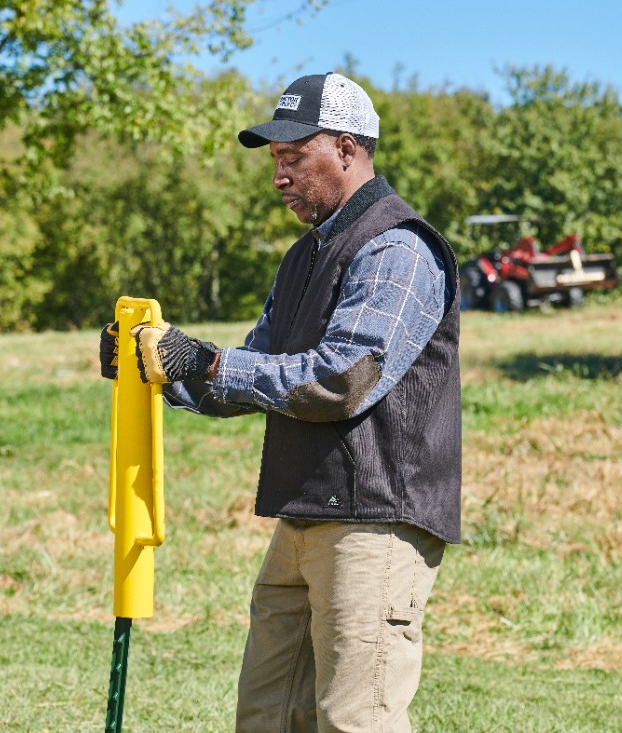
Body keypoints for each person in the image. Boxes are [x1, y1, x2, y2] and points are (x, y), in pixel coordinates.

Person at [98, 71, 462, 732]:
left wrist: (205, 359)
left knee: (357, 720)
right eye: (275, 161)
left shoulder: (397, 247)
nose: (279, 176)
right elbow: (253, 372)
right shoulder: (303, 258)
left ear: (347, 150)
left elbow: (341, 380)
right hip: (303, 519)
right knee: (266, 716)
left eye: (294, 157)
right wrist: (157, 370)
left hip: (374, 523)